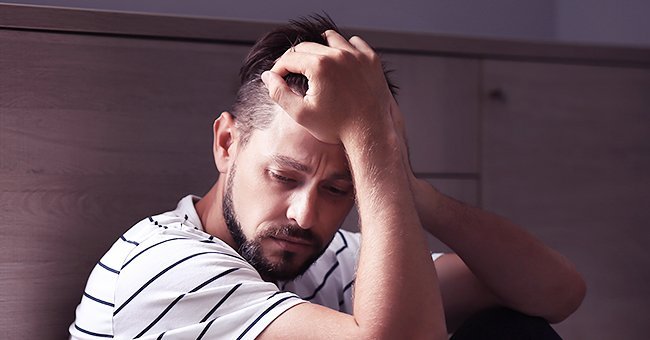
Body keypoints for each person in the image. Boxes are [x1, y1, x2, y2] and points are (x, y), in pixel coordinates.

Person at [69, 15, 585, 339]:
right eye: (283, 176)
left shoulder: (330, 260)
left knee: (510, 329)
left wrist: (402, 182)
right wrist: (372, 144)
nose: (305, 215)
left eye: (340, 188)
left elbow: (554, 294)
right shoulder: (168, 268)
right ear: (227, 144)